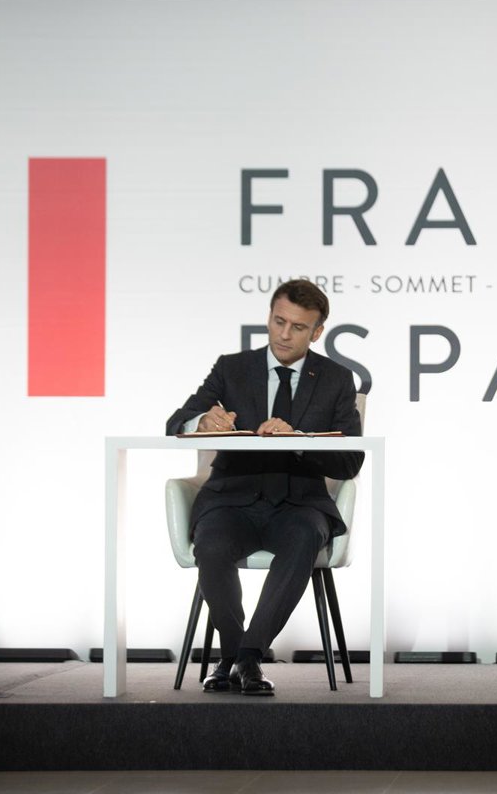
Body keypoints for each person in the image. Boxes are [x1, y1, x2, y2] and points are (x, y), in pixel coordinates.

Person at [166, 279, 364, 696]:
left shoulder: (336, 379)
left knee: (304, 537)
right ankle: (241, 656)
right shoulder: (232, 368)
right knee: (211, 544)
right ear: (269, 317)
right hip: (231, 498)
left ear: (317, 332)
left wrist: (299, 441)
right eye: (278, 321)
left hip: (299, 503)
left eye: (298, 327)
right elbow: (176, 422)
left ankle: (243, 657)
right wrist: (201, 423)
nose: (284, 334)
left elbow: (350, 462)